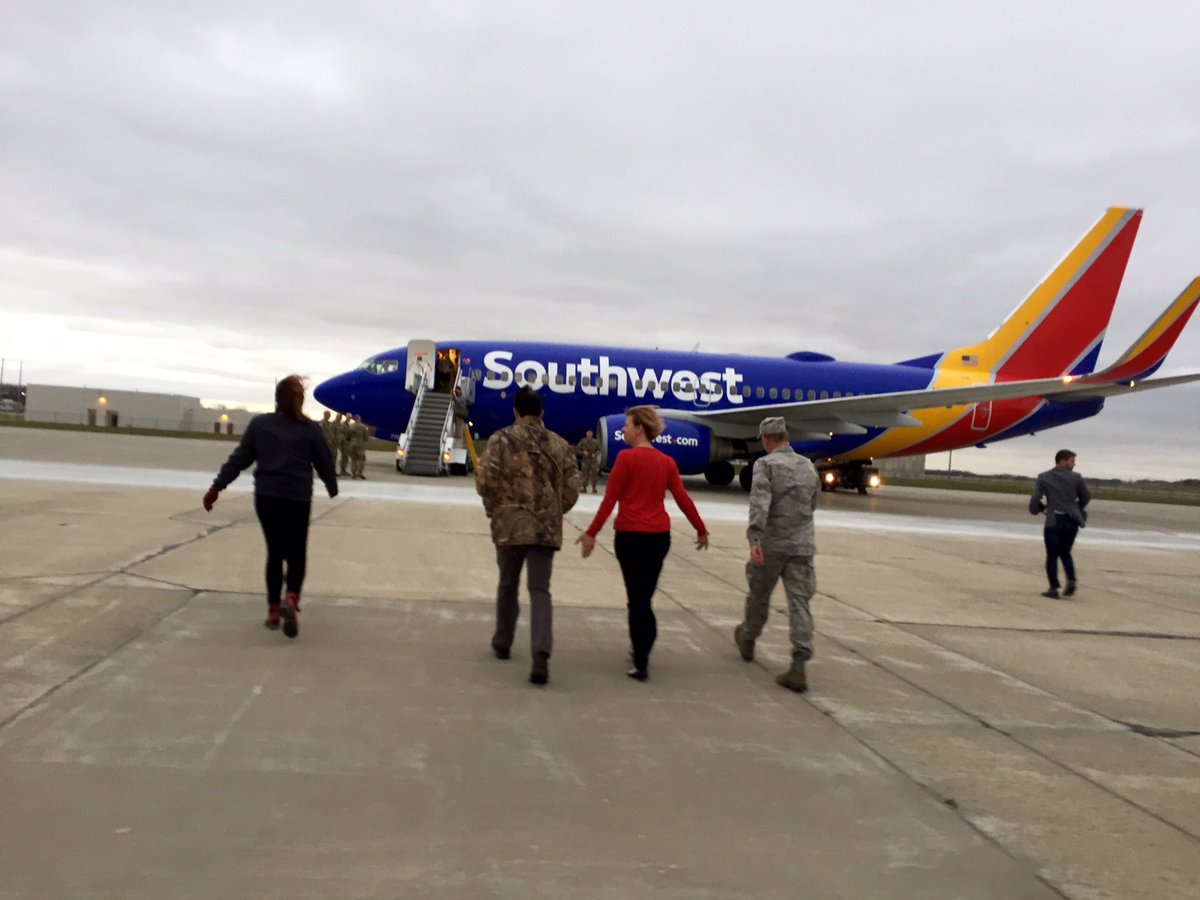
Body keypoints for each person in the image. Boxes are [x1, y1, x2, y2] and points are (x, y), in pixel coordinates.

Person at [577, 406, 708, 681]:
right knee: (643, 598)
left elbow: (609, 501)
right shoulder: (667, 462)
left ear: (639, 429)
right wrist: (700, 529)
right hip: (659, 538)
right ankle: (641, 647)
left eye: (626, 425)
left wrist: (591, 534)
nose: (623, 429)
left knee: (637, 601)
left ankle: (641, 660)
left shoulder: (625, 459)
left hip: (630, 538)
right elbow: (683, 499)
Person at [202, 375, 338, 639]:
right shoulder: (309, 429)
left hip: (267, 497)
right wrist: (331, 485)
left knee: (275, 552)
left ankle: (274, 611)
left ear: (277, 399)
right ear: (299, 401)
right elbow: (324, 460)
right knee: (296, 552)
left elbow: (239, 459)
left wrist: (216, 487)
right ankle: (291, 598)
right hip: (297, 498)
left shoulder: (260, 425)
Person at [476, 386, 581, 685]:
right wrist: (554, 511)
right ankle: (541, 653)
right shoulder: (560, 444)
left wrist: (497, 508)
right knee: (540, 590)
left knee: (507, 585)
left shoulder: (500, 439)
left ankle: (503, 641)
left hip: (509, 526)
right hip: (544, 529)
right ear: (542, 413)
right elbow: (573, 488)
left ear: (515, 412)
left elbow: (485, 481)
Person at [733, 417, 820, 693]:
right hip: (802, 546)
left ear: (765, 439)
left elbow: (759, 504)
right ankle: (799, 665)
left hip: (772, 545)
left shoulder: (765, 465)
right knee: (799, 603)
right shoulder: (808, 466)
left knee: (759, 595)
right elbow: (813, 503)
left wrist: (755, 539)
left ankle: (748, 638)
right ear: (786, 437)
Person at [1030, 449, 1090, 599]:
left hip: (1054, 520)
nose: (1074, 464)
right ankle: (1071, 580)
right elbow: (1086, 497)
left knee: (1052, 554)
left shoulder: (1044, 477)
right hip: (1072, 520)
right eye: (1072, 461)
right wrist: (1076, 507)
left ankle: (1053, 588)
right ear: (1062, 461)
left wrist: (1036, 509)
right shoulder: (1076, 477)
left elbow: (1035, 498)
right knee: (1065, 552)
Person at [576, 429, 601, 493]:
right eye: (588, 433)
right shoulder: (583, 441)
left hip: (593, 461)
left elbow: (599, 450)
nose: (589, 435)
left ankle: (594, 488)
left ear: (592, 434)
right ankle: (584, 488)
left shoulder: (595, 442)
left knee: (594, 474)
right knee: (584, 475)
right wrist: (583, 452)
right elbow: (578, 449)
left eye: (590, 433)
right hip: (585, 461)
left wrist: (595, 454)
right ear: (586, 434)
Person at [349, 414, 368, 480]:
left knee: (353, 459)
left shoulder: (351, 426)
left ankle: (353, 474)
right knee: (361, 459)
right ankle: (359, 473)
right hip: (360, 445)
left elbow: (348, 436)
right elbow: (366, 437)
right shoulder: (363, 426)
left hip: (352, 444)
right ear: (359, 419)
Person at [336, 413, 352, 477]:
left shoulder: (347, 425)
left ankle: (343, 470)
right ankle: (342, 470)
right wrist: (343, 442)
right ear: (346, 417)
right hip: (343, 444)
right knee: (344, 456)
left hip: (346, 443)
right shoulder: (343, 425)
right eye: (349, 418)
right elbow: (340, 434)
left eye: (350, 418)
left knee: (346, 457)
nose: (350, 419)